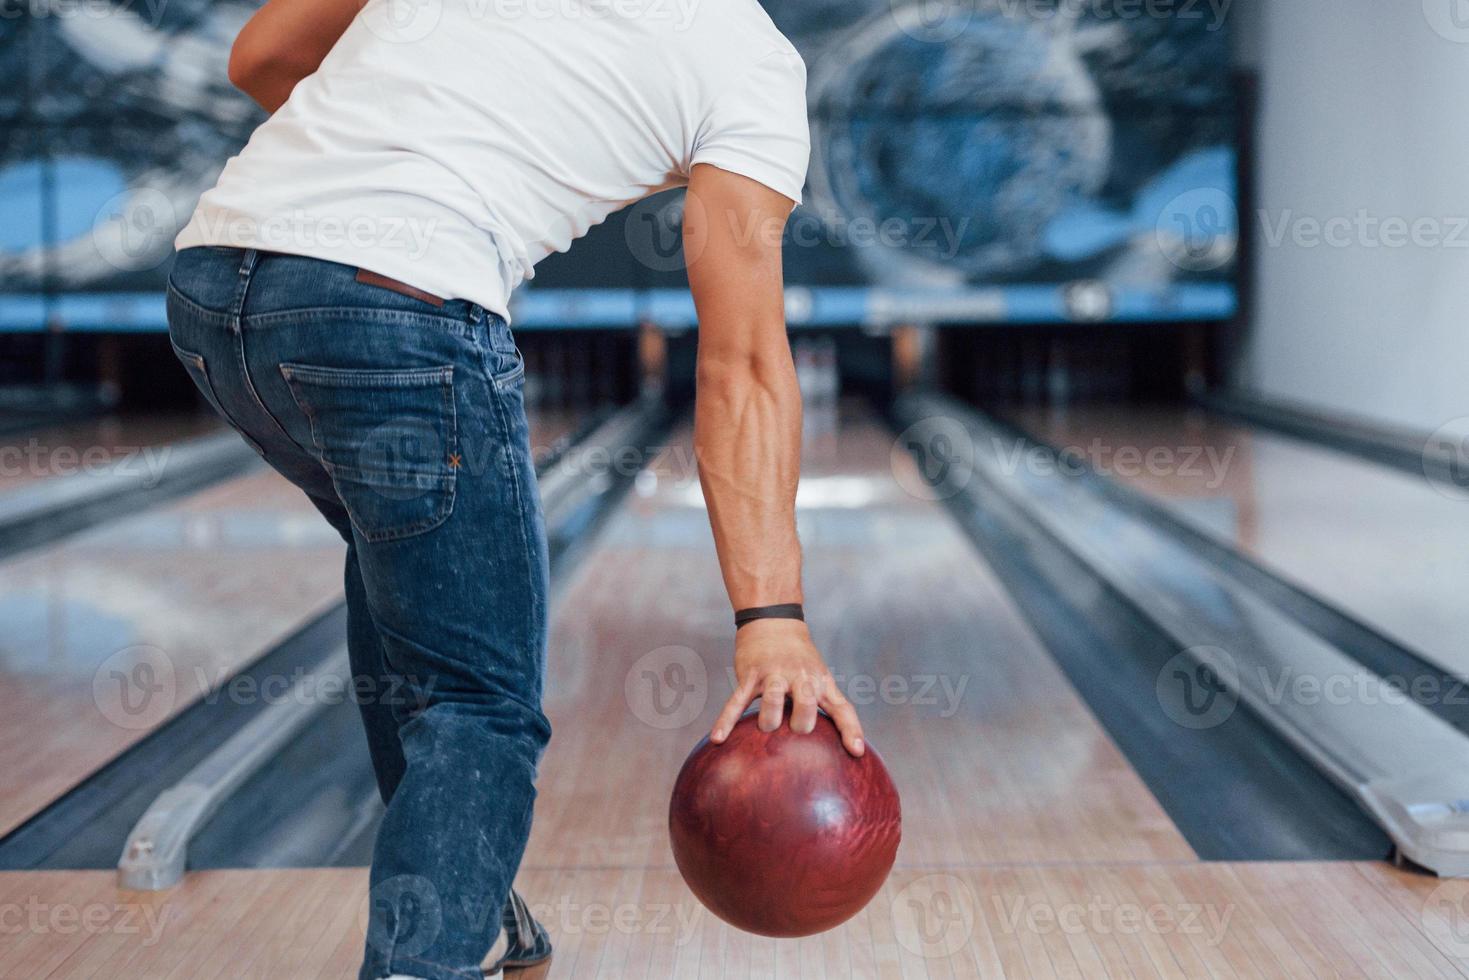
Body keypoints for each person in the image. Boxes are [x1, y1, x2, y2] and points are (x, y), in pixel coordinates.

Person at [166, 0, 866, 976]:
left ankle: (478, 917)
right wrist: (773, 617)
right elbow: (742, 362)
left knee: (403, 577)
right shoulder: (746, 60)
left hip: (214, 290)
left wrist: (390, 155)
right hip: (401, 310)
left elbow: (262, 55)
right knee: (479, 703)